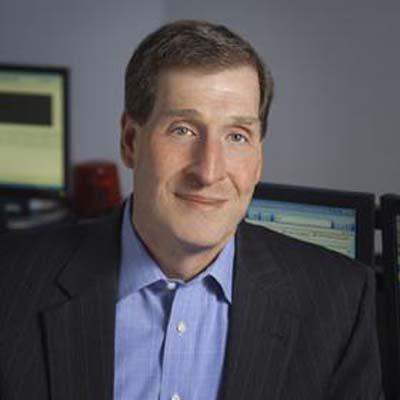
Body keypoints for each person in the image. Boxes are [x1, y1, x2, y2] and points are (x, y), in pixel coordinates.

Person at [0, 20, 384, 400]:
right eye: (182, 130)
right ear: (130, 141)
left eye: (237, 136)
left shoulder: (339, 302)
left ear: (258, 156)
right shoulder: (12, 283)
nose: (209, 171)